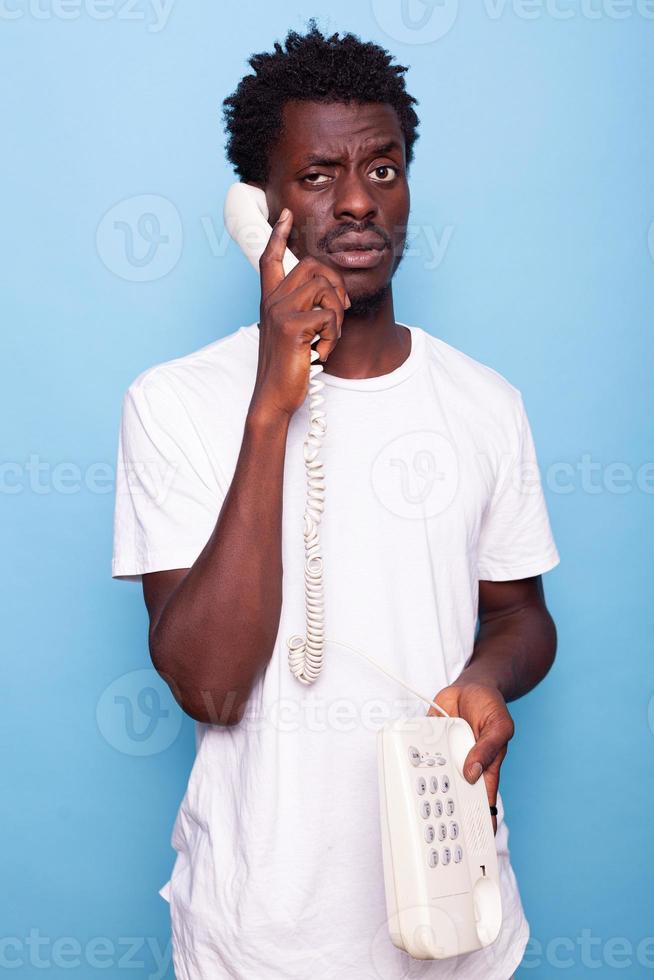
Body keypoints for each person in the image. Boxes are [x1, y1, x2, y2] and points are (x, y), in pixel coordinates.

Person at [112, 21, 559, 980]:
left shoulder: (485, 402)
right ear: (258, 208)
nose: (358, 201)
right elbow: (210, 687)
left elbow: (522, 614)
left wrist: (487, 677)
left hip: (454, 913)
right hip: (262, 933)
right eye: (317, 176)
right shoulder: (175, 404)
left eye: (383, 170)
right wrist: (273, 411)